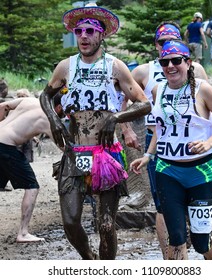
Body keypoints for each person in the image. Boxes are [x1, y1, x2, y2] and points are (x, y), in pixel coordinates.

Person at [39, 3, 150, 260]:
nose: (84, 36)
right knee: (70, 222)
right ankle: (89, 259)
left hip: (106, 153)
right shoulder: (65, 67)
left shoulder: (116, 66)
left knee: (107, 225)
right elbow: (46, 96)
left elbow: (144, 103)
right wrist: (54, 120)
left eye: (90, 31)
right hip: (75, 152)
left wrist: (117, 118)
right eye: (79, 31)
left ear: (101, 35)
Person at [130, 40, 212, 260]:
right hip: (167, 171)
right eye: (165, 62)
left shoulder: (202, 89)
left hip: (201, 174)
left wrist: (207, 144)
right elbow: (160, 128)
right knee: (176, 237)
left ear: (188, 63)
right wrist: (148, 155)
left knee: (200, 242)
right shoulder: (159, 90)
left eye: (176, 61)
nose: (170, 66)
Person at [0, 94, 64, 242]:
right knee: (32, 187)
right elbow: (63, 147)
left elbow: (2, 106)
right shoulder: (49, 119)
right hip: (6, 146)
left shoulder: (30, 100)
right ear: (59, 107)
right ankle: (23, 233)